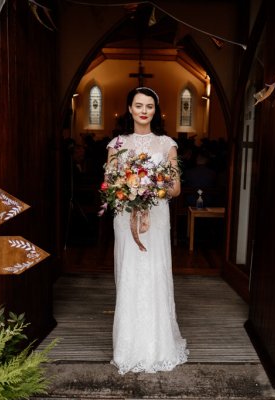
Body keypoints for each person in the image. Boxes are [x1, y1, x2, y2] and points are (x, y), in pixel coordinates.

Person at [105, 87, 189, 374]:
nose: (144, 110)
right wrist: (129, 190)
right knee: (129, 272)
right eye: (138, 105)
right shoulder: (117, 143)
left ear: (156, 110)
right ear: (129, 108)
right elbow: (109, 183)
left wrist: (150, 187)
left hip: (156, 215)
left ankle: (158, 345)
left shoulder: (167, 144)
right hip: (125, 216)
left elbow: (176, 187)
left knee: (155, 271)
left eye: (149, 106)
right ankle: (128, 347)